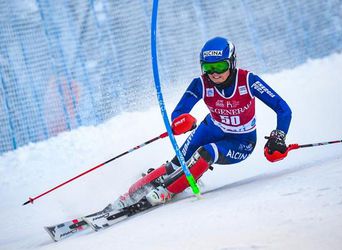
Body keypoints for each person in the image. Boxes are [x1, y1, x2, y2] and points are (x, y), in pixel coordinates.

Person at [118, 36, 292, 211]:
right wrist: (182, 122)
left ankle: (167, 191)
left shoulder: (248, 81)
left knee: (207, 153)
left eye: (220, 66)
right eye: (208, 68)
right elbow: (179, 112)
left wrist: (279, 137)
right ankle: (129, 195)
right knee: (175, 165)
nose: (214, 73)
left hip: (241, 141)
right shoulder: (200, 83)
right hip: (210, 129)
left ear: (232, 63)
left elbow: (283, 109)